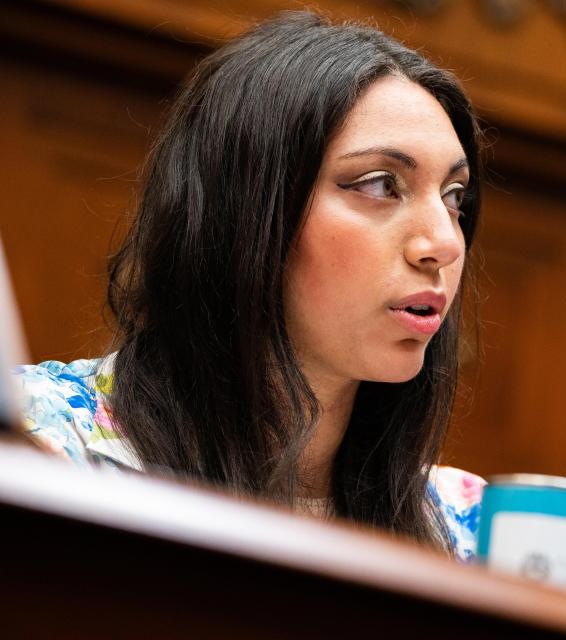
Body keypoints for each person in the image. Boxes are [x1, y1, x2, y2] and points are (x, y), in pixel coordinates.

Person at [13, 11, 486, 562]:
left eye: (454, 197)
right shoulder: (41, 443)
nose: (444, 243)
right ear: (246, 212)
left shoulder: (465, 527)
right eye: (380, 185)